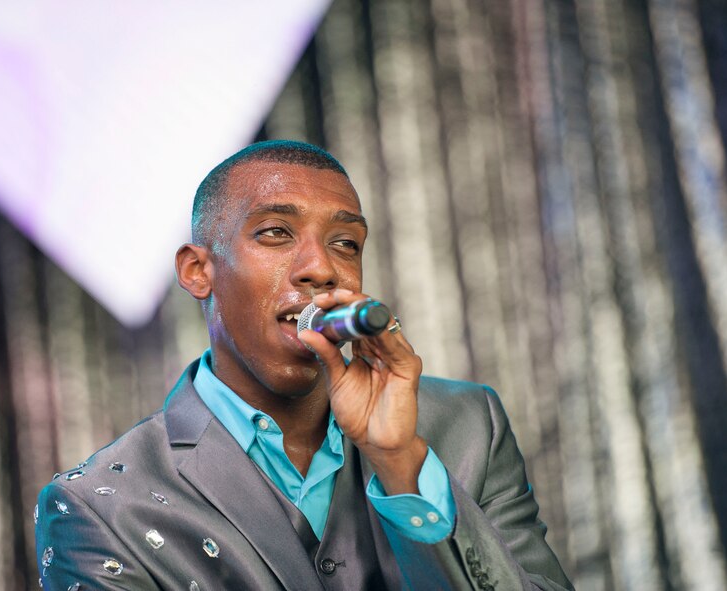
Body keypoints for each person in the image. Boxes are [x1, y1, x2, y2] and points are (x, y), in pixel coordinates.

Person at [35, 140, 573, 590]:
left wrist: (402, 463)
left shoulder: (470, 423)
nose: (321, 268)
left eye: (345, 243)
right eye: (275, 233)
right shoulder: (97, 506)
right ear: (199, 271)